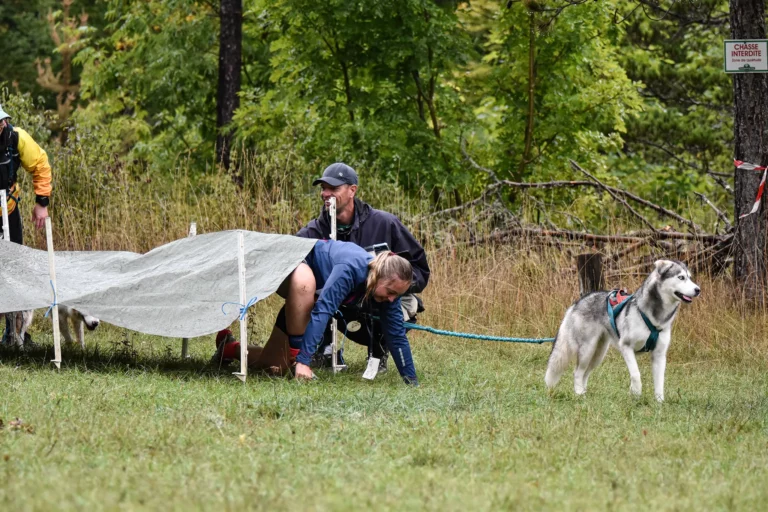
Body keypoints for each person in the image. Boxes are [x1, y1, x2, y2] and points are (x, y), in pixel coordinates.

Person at [212, 239, 419, 385]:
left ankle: (229, 348)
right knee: (305, 283)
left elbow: (397, 337)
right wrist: (303, 361)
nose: (392, 299)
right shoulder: (351, 268)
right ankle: (297, 359)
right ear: (379, 276)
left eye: (396, 295)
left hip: (304, 308)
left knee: (273, 365)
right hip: (295, 274)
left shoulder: (387, 293)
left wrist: (412, 383)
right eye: (390, 292)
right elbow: (323, 310)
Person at [295, 162, 430, 373]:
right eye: (323, 188)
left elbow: (420, 269)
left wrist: (390, 286)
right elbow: (290, 261)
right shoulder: (313, 231)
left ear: (352, 190)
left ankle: (378, 351)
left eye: (334, 188)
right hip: (340, 297)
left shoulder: (385, 223)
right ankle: (322, 349)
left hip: (382, 295)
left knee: (405, 302)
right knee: (309, 290)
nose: (326, 193)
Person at [0, 104, 52, 344]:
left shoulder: (17, 138)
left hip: (8, 210)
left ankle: (15, 332)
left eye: (1, 122)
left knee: (14, 269)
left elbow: (40, 164)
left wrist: (42, 202)